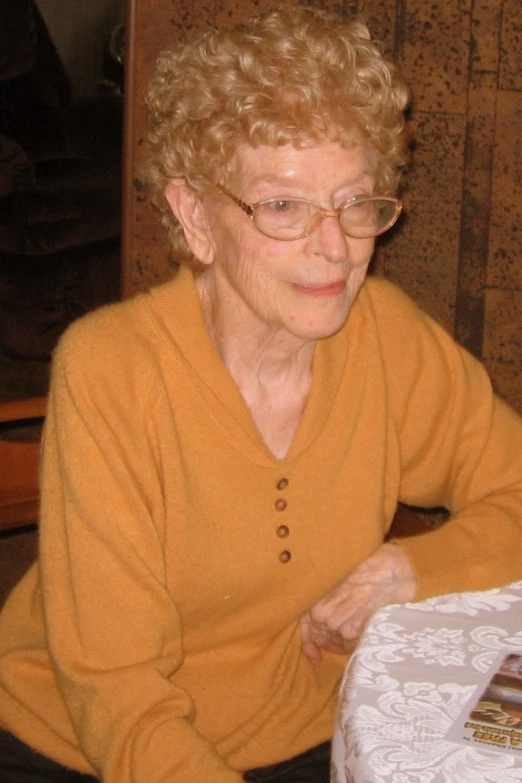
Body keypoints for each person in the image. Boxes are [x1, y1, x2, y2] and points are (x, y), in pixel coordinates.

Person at [0, 5, 521, 782]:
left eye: (355, 201)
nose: (337, 248)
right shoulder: (111, 373)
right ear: (194, 216)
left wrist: (412, 569)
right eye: (283, 206)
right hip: (88, 744)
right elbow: (117, 692)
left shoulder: (383, 336)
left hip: (305, 729)